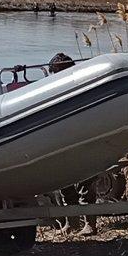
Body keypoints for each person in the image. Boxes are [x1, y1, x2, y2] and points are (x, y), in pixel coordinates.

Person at [48, 53, 99, 234]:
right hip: (63, 142)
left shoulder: (82, 87)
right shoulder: (52, 90)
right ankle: (71, 222)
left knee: (85, 182)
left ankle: (90, 223)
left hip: (82, 140)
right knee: (64, 183)